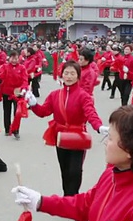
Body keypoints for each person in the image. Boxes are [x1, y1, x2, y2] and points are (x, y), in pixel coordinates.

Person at [26, 60, 105, 196]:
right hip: (60, 135)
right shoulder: (55, 95)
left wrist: (98, 126)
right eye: (66, 73)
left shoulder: (83, 96)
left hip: (78, 136)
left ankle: (73, 197)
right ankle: (66, 196)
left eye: (72, 73)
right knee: (64, 169)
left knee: (75, 170)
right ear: (62, 75)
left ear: (78, 76)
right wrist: (34, 104)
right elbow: (43, 112)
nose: (69, 76)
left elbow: (90, 113)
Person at [0, 50, 29, 139]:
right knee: (7, 111)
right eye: (13, 58)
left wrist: (24, 89)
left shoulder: (22, 68)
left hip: (18, 93)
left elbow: (25, 80)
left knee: (17, 113)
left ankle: (16, 130)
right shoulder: (4, 67)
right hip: (7, 92)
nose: (14, 60)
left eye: (16, 59)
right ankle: (7, 129)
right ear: (9, 58)